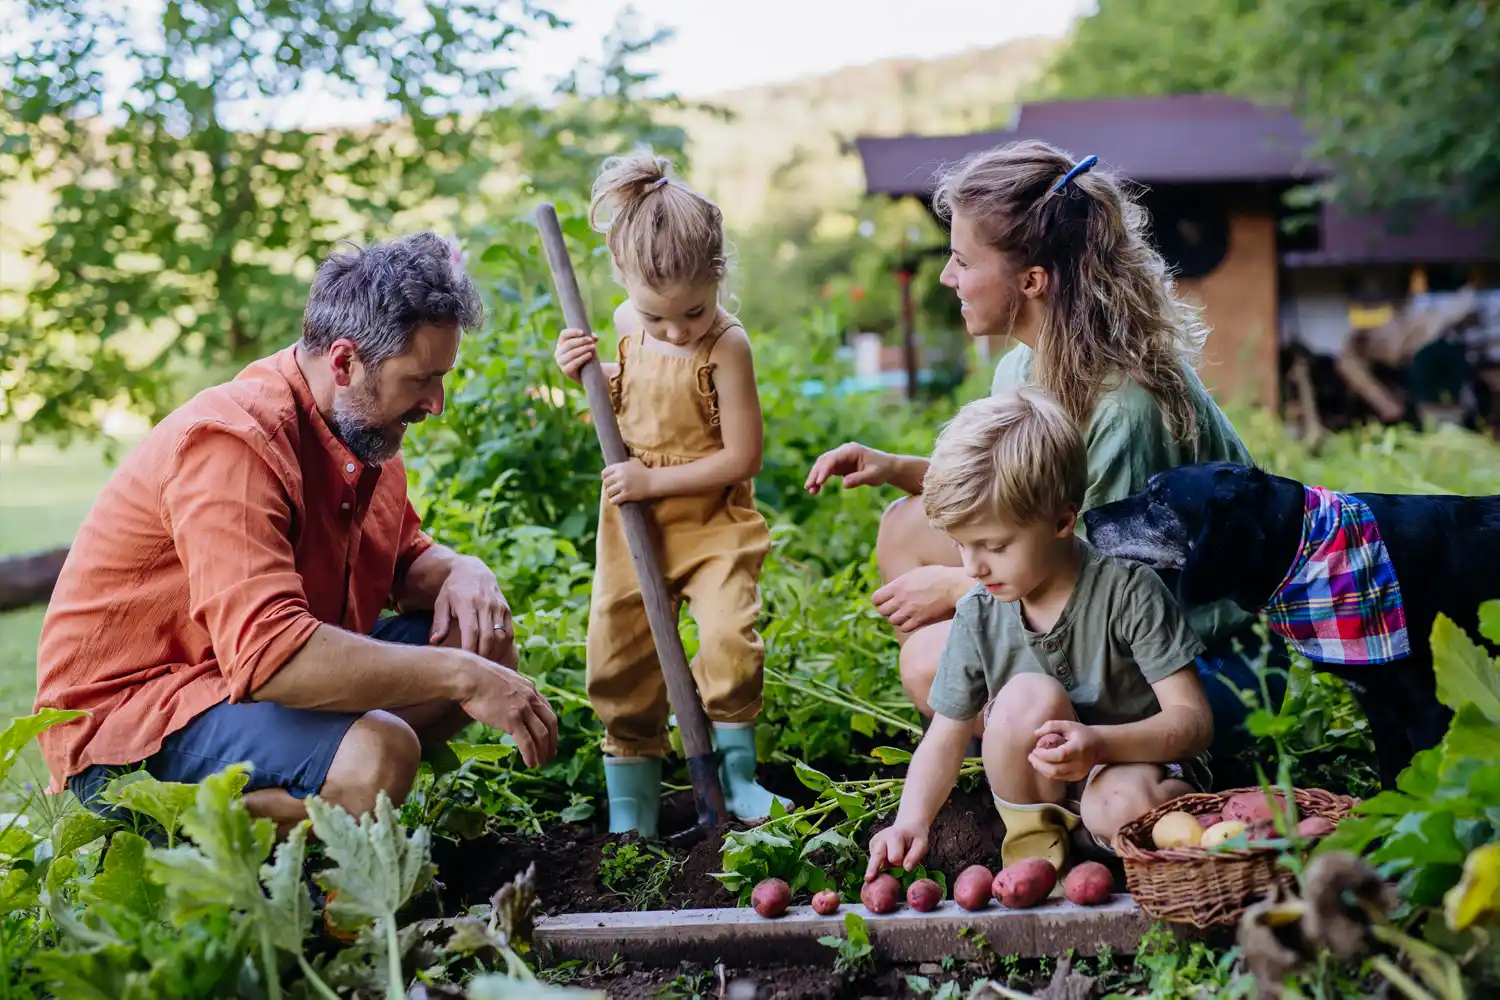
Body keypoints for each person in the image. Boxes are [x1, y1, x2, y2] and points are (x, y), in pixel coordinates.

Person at [36, 232, 559, 835]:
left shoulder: (362, 431)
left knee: (480, 636)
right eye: (420, 380)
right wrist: (459, 677)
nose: (436, 403)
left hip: (235, 688)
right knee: (380, 753)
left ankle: (337, 821)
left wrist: (465, 569)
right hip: (133, 722)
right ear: (344, 362)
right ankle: (164, 840)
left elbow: (403, 559)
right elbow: (271, 659)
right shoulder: (233, 444)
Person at [804, 140, 1283, 766]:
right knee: (907, 524)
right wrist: (898, 469)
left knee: (928, 661)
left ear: (1031, 281)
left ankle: (1053, 751)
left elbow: (1105, 570)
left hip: (1201, 665)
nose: (948, 277)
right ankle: (1014, 728)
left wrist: (958, 586)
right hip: (1103, 603)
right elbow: (1020, 495)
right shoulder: (1023, 365)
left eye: (961, 261)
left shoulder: (1122, 405)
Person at [864, 388, 1214, 877]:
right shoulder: (979, 611)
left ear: (1063, 521)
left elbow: (1193, 722)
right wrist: (910, 821)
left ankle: (1152, 830)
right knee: (1023, 697)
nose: (973, 566)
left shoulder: (1128, 591)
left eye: (994, 546)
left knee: (1117, 805)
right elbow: (944, 737)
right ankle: (1038, 850)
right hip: (1044, 787)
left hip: (1131, 766)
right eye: (962, 546)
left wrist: (1099, 744)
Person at [553, 150, 785, 839]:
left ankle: (737, 776)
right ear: (623, 281)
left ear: (718, 276)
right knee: (619, 651)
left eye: (694, 310)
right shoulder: (624, 326)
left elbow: (743, 456)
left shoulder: (727, 346)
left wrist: (655, 479)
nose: (678, 331)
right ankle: (634, 795)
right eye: (659, 319)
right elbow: (618, 413)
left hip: (712, 519)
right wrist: (582, 376)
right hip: (634, 522)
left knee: (727, 638)